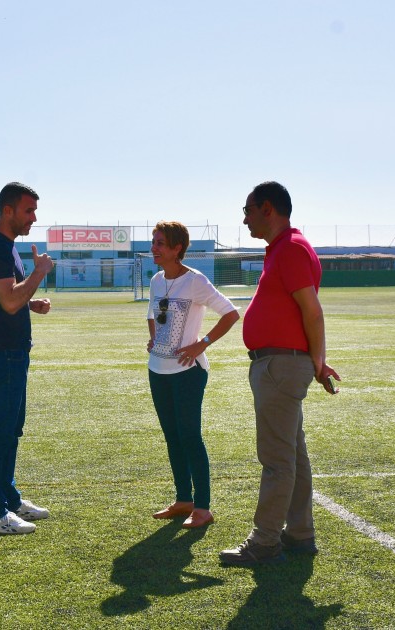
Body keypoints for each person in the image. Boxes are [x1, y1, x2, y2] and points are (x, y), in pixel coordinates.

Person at [219, 181, 341, 566]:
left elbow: (313, 311)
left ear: (267, 209)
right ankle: (300, 533)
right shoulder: (285, 248)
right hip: (282, 363)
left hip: (279, 365)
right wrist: (316, 362)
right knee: (293, 456)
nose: (244, 219)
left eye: (248, 210)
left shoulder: (288, 249)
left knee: (277, 460)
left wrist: (317, 361)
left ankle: (265, 542)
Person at [147, 221, 240, 529]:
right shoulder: (156, 280)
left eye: (161, 243)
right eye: (154, 241)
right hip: (157, 370)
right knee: (172, 436)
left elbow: (230, 313)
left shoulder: (196, 281)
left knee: (190, 436)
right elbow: (152, 314)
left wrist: (202, 344)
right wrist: (155, 337)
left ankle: (202, 507)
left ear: (177, 249)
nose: (155, 248)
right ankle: (183, 499)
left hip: (188, 374)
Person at [0, 182, 54, 535]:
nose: (33, 218)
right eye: (28, 211)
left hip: (13, 352)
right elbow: (8, 301)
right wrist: (39, 273)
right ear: (8, 210)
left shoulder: (8, 248)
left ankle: (8, 499)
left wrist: (31, 302)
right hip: (2, 354)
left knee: (11, 432)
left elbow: (9, 298)